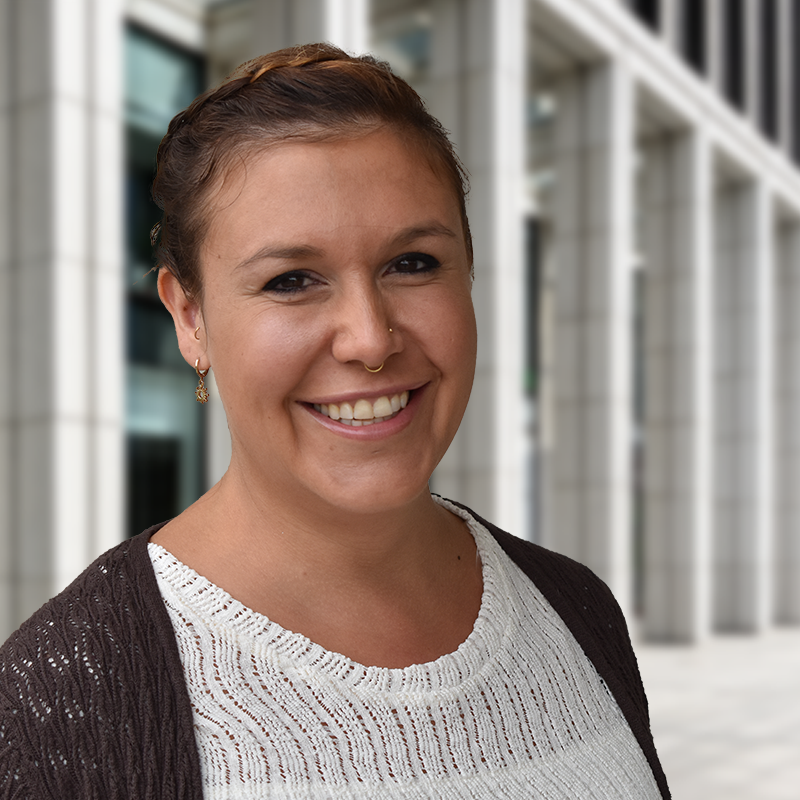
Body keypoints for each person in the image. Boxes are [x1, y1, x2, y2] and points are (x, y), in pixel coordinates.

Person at [0, 44, 670, 799]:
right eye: (291, 280)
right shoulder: (60, 705)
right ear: (191, 318)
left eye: (412, 263)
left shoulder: (576, 608)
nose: (370, 338)